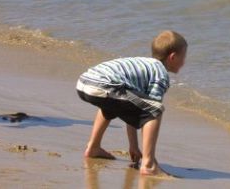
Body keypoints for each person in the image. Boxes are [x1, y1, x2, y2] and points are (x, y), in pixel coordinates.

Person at [76, 30, 188, 176]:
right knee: (156, 110)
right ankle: (148, 164)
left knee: (113, 105)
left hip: (84, 82)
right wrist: (145, 153)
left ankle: (93, 147)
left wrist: (133, 146)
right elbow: (149, 112)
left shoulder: (145, 64)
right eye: (184, 57)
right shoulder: (160, 74)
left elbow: (134, 110)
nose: (184, 62)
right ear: (172, 57)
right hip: (104, 85)